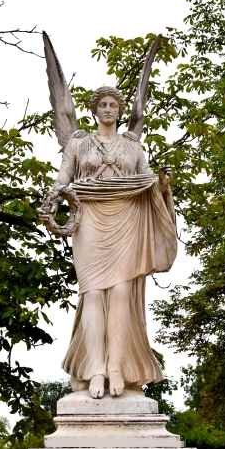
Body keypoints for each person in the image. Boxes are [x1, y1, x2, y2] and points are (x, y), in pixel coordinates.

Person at [52, 86, 177, 399]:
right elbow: (63, 177)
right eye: (103, 105)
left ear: (121, 111)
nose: (108, 109)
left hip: (126, 218)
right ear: (95, 110)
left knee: (122, 291)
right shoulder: (79, 144)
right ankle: (96, 368)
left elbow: (147, 181)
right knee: (92, 294)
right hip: (89, 218)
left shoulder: (133, 148)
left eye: (113, 105)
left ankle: (117, 366)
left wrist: (163, 186)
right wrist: (53, 196)